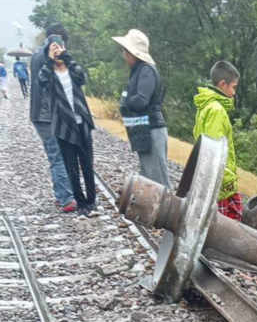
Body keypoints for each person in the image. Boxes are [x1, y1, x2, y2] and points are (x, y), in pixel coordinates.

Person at [37, 35, 98, 217]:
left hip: (82, 124)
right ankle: (81, 205)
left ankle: (92, 202)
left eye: (59, 47)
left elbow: (82, 77)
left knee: (87, 165)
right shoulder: (48, 72)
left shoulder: (72, 68)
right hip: (63, 127)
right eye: (53, 48)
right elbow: (41, 81)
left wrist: (67, 56)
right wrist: (49, 59)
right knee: (71, 167)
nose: (56, 51)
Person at [112, 29, 169, 188]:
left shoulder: (146, 70)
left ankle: (165, 212)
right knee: (149, 179)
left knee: (159, 182)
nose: (124, 55)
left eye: (125, 51)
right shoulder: (139, 70)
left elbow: (141, 101)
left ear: (132, 53)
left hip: (152, 130)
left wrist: (124, 102)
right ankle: (152, 212)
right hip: (145, 131)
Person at [31, 23, 75, 212]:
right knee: (59, 156)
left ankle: (60, 195)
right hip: (47, 115)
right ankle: (66, 199)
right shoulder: (50, 58)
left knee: (54, 155)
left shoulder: (36, 55)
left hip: (40, 114)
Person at [193, 61, 242, 220]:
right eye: (233, 87)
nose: (234, 92)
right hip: (219, 184)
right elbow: (213, 153)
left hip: (210, 179)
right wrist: (228, 181)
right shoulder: (216, 111)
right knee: (228, 229)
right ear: (223, 84)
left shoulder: (206, 105)